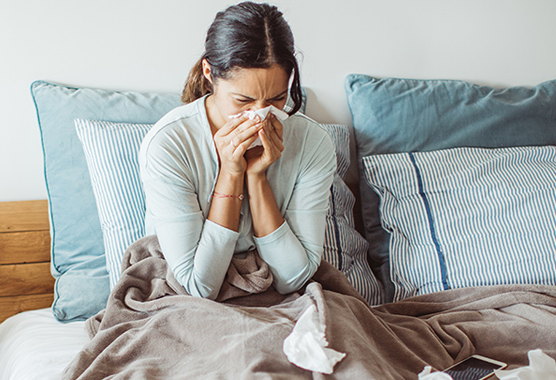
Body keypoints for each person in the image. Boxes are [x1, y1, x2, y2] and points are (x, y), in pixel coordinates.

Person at [139, 1, 336, 300]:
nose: (260, 115)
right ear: (208, 72)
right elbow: (198, 286)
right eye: (243, 100)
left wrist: (257, 179)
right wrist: (231, 173)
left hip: (280, 300)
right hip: (188, 302)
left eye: (277, 99)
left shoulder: (312, 143)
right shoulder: (170, 144)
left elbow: (293, 278)